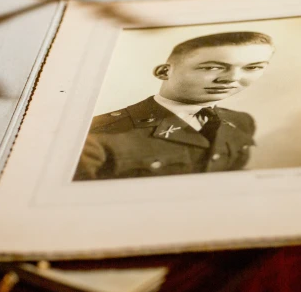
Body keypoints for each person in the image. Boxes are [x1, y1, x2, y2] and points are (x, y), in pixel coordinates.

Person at [74, 31, 274, 181]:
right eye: (212, 67)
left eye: (253, 67)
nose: (232, 79)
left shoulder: (240, 121)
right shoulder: (96, 135)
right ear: (164, 72)